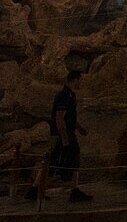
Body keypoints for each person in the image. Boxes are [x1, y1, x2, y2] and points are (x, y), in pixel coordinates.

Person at [27, 70, 92, 202]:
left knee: (69, 160)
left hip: (67, 134)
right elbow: (59, 118)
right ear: (75, 79)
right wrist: (64, 138)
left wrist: (79, 128)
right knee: (52, 162)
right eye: (80, 80)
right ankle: (35, 190)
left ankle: (37, 190)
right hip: (62, 135)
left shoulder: (70, 95)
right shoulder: (64, 96)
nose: (81, 83)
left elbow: (69, 117)